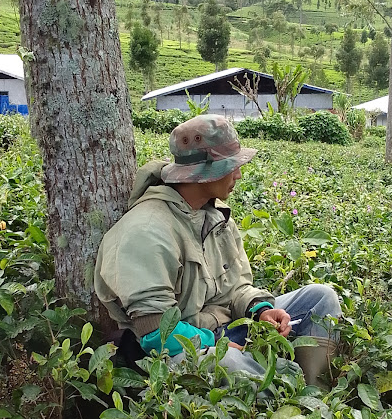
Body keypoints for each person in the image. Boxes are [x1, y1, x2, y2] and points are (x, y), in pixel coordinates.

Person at [94, 114, 341, 386]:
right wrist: (220, 345)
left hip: (224, 329)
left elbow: (235, 287)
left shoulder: (215, 217)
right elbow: (157, 333)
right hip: (180, 349)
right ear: (203, 172)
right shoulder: (146, 231)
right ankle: (285, 399)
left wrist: (259, 310)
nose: (238, 174)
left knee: (321, 299)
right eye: (230, 166)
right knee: (232, 364)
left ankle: (315, 396)